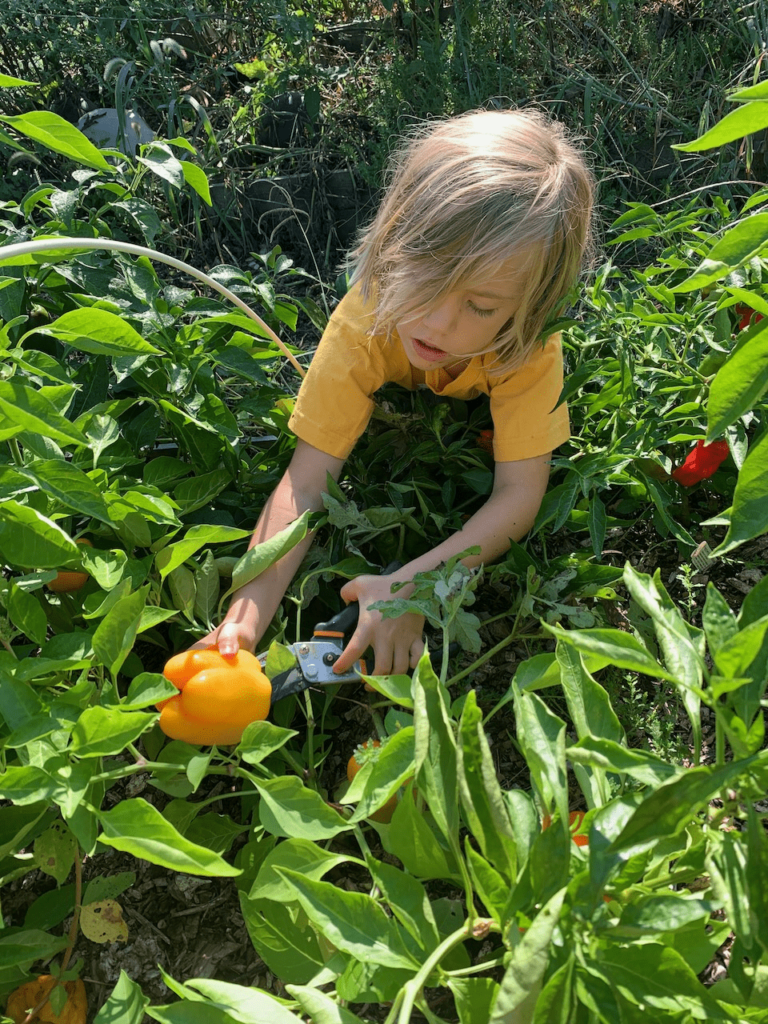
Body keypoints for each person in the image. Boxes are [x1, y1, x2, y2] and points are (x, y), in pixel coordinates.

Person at [195, 107, 595, 676]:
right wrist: (247, 613)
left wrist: (419, 584)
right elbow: (307, 481)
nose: (436, 321)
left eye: (479, 305)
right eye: (421, 275)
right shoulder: (367, 320)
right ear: (391, 243)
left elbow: (518, 496)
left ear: (531, 307)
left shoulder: (527, 347)